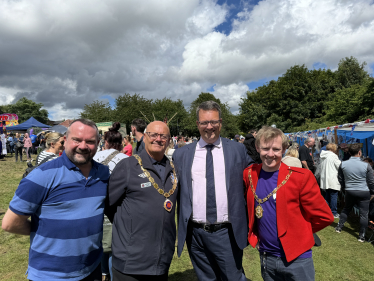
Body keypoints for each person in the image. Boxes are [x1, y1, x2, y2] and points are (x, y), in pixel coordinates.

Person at [2, 119, 110, 281]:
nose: (83, 146)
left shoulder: (103, 173)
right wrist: (47, 230)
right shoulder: (42, 175)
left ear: (98, 143)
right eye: (77, 140)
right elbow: (10, 223)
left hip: (91, 268)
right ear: (65, 140)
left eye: (90, 141)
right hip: (51, 274)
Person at [173, 101, 253, 281]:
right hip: (195, 235)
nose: (209, 127)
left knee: (232, 278)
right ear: (197, 124)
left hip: (225, 232)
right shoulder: (182, 154)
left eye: (214, 122)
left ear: (221, 122)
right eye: (204, 122)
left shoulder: (237, 150)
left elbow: (255, 178)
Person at [244, 126, 334, 281]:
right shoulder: (250, 174)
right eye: (265, 148)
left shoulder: (300, 177)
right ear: (257, 148)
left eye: (276, 149)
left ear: (284, 149)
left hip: (297, 257)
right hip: (266, 255)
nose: (270, 154)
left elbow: (325, 216)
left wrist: (299, 233)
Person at [107, 121, 177, 281]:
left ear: (168, 140)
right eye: (153, 135)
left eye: (163, 136)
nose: (158, 139)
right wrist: (130, 229)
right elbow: (109, 205)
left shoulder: (173, 168)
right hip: (131, 261)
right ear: (145, 137)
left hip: (161, 259)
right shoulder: (128, 166)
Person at [94, 122, 128, 281]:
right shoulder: (126, 160)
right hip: (117, 207)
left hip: (96, 206)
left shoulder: (94, 157)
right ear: (121, 143)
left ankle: (103, 274)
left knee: (100, 244)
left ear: (105, 142)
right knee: (115, 247)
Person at [335, 143, 374, 242]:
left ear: (349, 152)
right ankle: (361, 236)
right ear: (360, 152)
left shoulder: (343, 164)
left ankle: (339, 227)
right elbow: (371, 181)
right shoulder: (366, 166)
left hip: (350, 190)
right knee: (364, 214)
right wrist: (372, 191)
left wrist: (344, 187)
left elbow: (340, 178)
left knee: (346, 209)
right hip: (363, 191)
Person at [320, 143, 341, 218]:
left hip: (325, 178)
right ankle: (333, 212)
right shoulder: (333, 156)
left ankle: (326, 210)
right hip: (332, 178)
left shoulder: (323, 156)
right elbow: (339, 166)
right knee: (333, 195)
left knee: (327, 195)